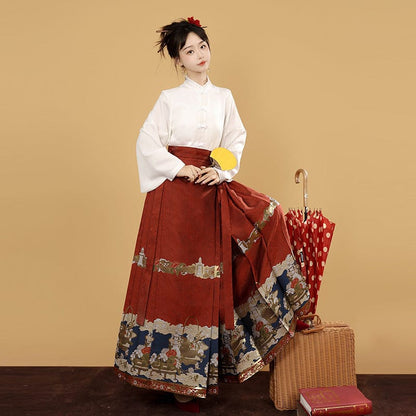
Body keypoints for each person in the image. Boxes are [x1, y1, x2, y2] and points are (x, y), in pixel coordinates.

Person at [114, 17, 310, 412]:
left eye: (202, 46)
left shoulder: (224, 98)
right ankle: (174, 379)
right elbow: (146, 142)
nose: (199, 55)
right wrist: (178, 168)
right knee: (176, 283)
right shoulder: (169, 99)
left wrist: (220, 171)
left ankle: (202, 375)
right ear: (179, 61)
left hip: (209, 191)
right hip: (173, 197)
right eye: (189, 51)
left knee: (217, 270)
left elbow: (235, 140)